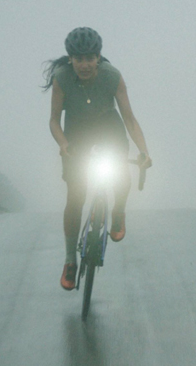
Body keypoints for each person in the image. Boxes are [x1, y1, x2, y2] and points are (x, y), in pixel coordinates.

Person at [43, 27, 152, 291]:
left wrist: (144, 151)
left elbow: (129, 119)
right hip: (77, 130)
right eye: (78, 59)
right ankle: (70, 260)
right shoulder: (61, 78)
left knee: (121, 174)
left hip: (107, 123)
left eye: (90, 58)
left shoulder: (112, 76)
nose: (84, 64)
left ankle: (117, 212)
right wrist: (64, 144)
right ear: (70, 59)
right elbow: (54, 122)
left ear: (98, 57)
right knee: (75, 197)